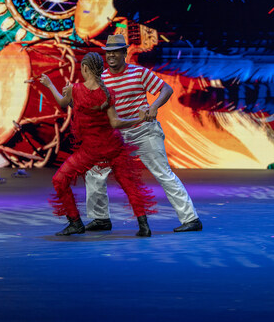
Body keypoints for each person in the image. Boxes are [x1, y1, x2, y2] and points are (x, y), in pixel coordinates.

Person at [84, 34, 202, 233]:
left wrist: (154, 106)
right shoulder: (101, 79)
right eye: (108, 52)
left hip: (144, 132)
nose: (111, 55)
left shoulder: (138, 73)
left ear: (124, 53)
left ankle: (191, 218)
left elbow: (166, 89)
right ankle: (100, 218)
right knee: (94, 173)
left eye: (115, 52)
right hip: (117, 135)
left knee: (163, 173)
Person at [39, 52, 155, 237]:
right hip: (113, 145)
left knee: (59, 180)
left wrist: (49, 84)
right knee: (128, 184)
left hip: (91, 150)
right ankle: (144, 225)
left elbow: (62, 103)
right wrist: (138, 118)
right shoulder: (107, 93)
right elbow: (115, 122)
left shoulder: (75, 89)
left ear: (85, 68)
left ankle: (75, 222)